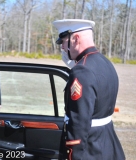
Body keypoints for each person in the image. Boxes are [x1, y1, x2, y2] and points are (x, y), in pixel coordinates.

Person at [53, 19, 125, 160]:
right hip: (107, 142)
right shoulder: (104, 62)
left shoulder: (82, 71)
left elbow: (78, 123)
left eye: (64, 42)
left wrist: (73, 155)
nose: (62, 48)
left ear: (76, 39)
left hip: (90, 148)